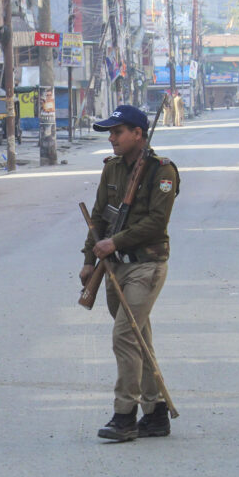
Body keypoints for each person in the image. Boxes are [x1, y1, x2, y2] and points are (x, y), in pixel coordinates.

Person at [81, 105, 179, 442]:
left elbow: (156, 222)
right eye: (110, 133)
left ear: (138, 133)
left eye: (118, 132)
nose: (111, 139)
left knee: (125, 335)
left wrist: (115, 241)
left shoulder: (162, 171)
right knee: (139, 339)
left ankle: (125, 416)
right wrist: (88, 260)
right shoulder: (111, 170)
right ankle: (156, 413)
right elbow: (97, 218)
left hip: (146, 265)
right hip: (114, 267)